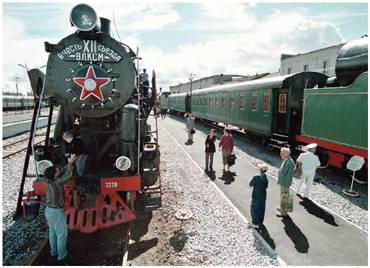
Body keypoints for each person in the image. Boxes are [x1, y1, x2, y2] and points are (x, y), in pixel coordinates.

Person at [41, 154, 77, 261]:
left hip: (48, 211)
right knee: (62, 234)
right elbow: (68, 175)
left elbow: (60, 173)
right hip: (57, 212)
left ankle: (53, 252)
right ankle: (62, 255)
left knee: (52, 232)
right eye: (56, 171)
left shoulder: (47, 180)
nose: (58, 171)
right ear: (55, 175)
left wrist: (68, 163)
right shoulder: (58, 182)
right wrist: (70, 164)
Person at [276, 147, 294, 217]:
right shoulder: (286, 160)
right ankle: (283, 208)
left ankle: (284, 213)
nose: (280, 154)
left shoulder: (289, 162)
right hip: (283, 182)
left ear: (286, 154)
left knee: (285, 196)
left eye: (282, 153)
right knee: (284, 196)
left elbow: (289, 175)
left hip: (285, 183)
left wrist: (286, 185)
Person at [249, 163, 269, 228]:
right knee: (261, 208)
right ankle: (260, 221)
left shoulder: (256, 177)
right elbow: (266, 186)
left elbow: (250, 184)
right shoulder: (265, 178)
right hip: (263, 195)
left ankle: (255, 223)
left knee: (254, 208)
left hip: (256, 195)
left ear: (260, 169)